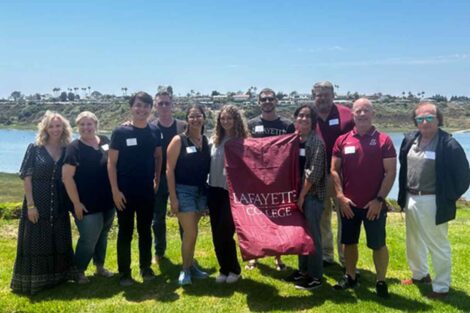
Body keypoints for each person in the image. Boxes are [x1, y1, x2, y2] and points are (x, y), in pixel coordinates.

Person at [398, 101, 470, 299]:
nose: (425, 122)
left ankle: (441, 287)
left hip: (433, 201)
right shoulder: (410, 140)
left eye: (430, 118)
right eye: (420, 118)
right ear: (415, 121)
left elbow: (464, 176)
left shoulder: (448, 144)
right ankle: (420, 275)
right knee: (413, 241)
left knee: (437, 243)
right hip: (411, 197)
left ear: (438, 120)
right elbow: (404, 166)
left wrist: (449, 197)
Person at [331, 98, 396, 298]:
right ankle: (350, 276)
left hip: (373, 205)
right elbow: (334, 171)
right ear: (352, 114)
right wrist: (340, 197)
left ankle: (381, 281)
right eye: (358, 110)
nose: (362, 114)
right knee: (349, 242)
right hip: (349, 204)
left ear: (372, 114)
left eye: (366, 110)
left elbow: (391, 172)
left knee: (378, 244)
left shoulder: (384, 140)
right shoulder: (342, 140)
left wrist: (379, 200)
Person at [11, 111, 75, 295]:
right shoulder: (35, 148)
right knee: (36, 239)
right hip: (38, 200)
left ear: (64, 128)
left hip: (59, 202)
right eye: (51, 126)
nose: (55, 129)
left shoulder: (67, 148)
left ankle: (58, 278)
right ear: (45, 128)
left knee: (58, 239)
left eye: (58, 125)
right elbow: (27, 177)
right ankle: (35, 281)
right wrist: (31, 205)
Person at [108, 92, 163, 286]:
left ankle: (145, 268)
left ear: (151, 109)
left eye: (146, 106)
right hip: (124, 192)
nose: (142, 109)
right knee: (125, 232)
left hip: (146, 191)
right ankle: (124, 273)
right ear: (132, 107)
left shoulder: (154, 131)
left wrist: (157, 178)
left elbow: (158, 156)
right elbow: (111, 163)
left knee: (145, 231)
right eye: (138, 105)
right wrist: (115, 191)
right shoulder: (120, 132)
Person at [62, 111, 115, 284]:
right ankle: (78, 271)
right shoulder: (74, 148)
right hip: (85, 203)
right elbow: (67, 177)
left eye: (89, 124)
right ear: (78, 127)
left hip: (107, 200)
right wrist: (76, 203)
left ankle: (99, 267)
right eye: (82, 125)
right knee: (89, 238)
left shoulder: (105, 141)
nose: (86, 128)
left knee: (103, 234)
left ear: (96, 125)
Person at [246, 87, 295, 270]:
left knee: (277, 217)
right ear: (259, 102)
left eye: (270, 99)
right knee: (255, 217)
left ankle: (278, 257)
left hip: (279, 179)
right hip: (255, 178)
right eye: (264, 99)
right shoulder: (251, 124)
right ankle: (254, 255)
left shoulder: (287, 125)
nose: (267, 102)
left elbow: (292, 151)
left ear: (276, 101)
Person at [167, 104, 211, 285]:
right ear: (186, 119)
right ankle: (185, 270)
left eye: (198, 116)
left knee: (191, 233)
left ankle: (191, 265)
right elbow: (169, 170)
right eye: (192, 116)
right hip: (183, 191)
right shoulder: (179, 140)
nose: (195, 119)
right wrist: (173, 198)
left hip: (201, 191)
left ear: (204, 118)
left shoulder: (206, 140)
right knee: (191, 233)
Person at [284, 105, 327, 290]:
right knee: (301, 235)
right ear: (295, 120)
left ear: (313, 121)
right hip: (297, 196)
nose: (303, 119)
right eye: (300, 116)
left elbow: (313, 173)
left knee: (313, 236)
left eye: (307, 117)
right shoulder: (295, 140)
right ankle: (303, 271)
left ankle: (316, 277)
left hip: (311, 197)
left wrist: (301, 196)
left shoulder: (316, 142)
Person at [313, 81, 354, 267]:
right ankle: (326, 256)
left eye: (326, 94)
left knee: (344, 216)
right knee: (322, 216)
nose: (322, 98)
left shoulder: (347, 114)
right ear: (314, 95)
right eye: (319, 94)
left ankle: (345, 257)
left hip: (342, 174)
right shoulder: (309, 113)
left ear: (333, 95)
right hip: (318, 174)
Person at [208, 104, 249, 284]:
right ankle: (223, 269)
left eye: (229, 118)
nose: (225, 121)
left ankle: (235, 269)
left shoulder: (242, 141)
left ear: (236, 120)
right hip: (213, 190)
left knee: (226, 232)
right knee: (216, 233)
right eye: (222, 118)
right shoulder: (215, 139)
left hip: (231, 193)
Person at [150, 87, 186, 264]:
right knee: (157, 219)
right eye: (160, 103)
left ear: (172, 105)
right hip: (158, 179)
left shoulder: (182, 126)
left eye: (167, 103)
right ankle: (159, 252)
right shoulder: (150, 127)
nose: (164, 106)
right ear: (156, 106)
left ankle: (186, 250)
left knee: (183, 216)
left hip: (180, 178)